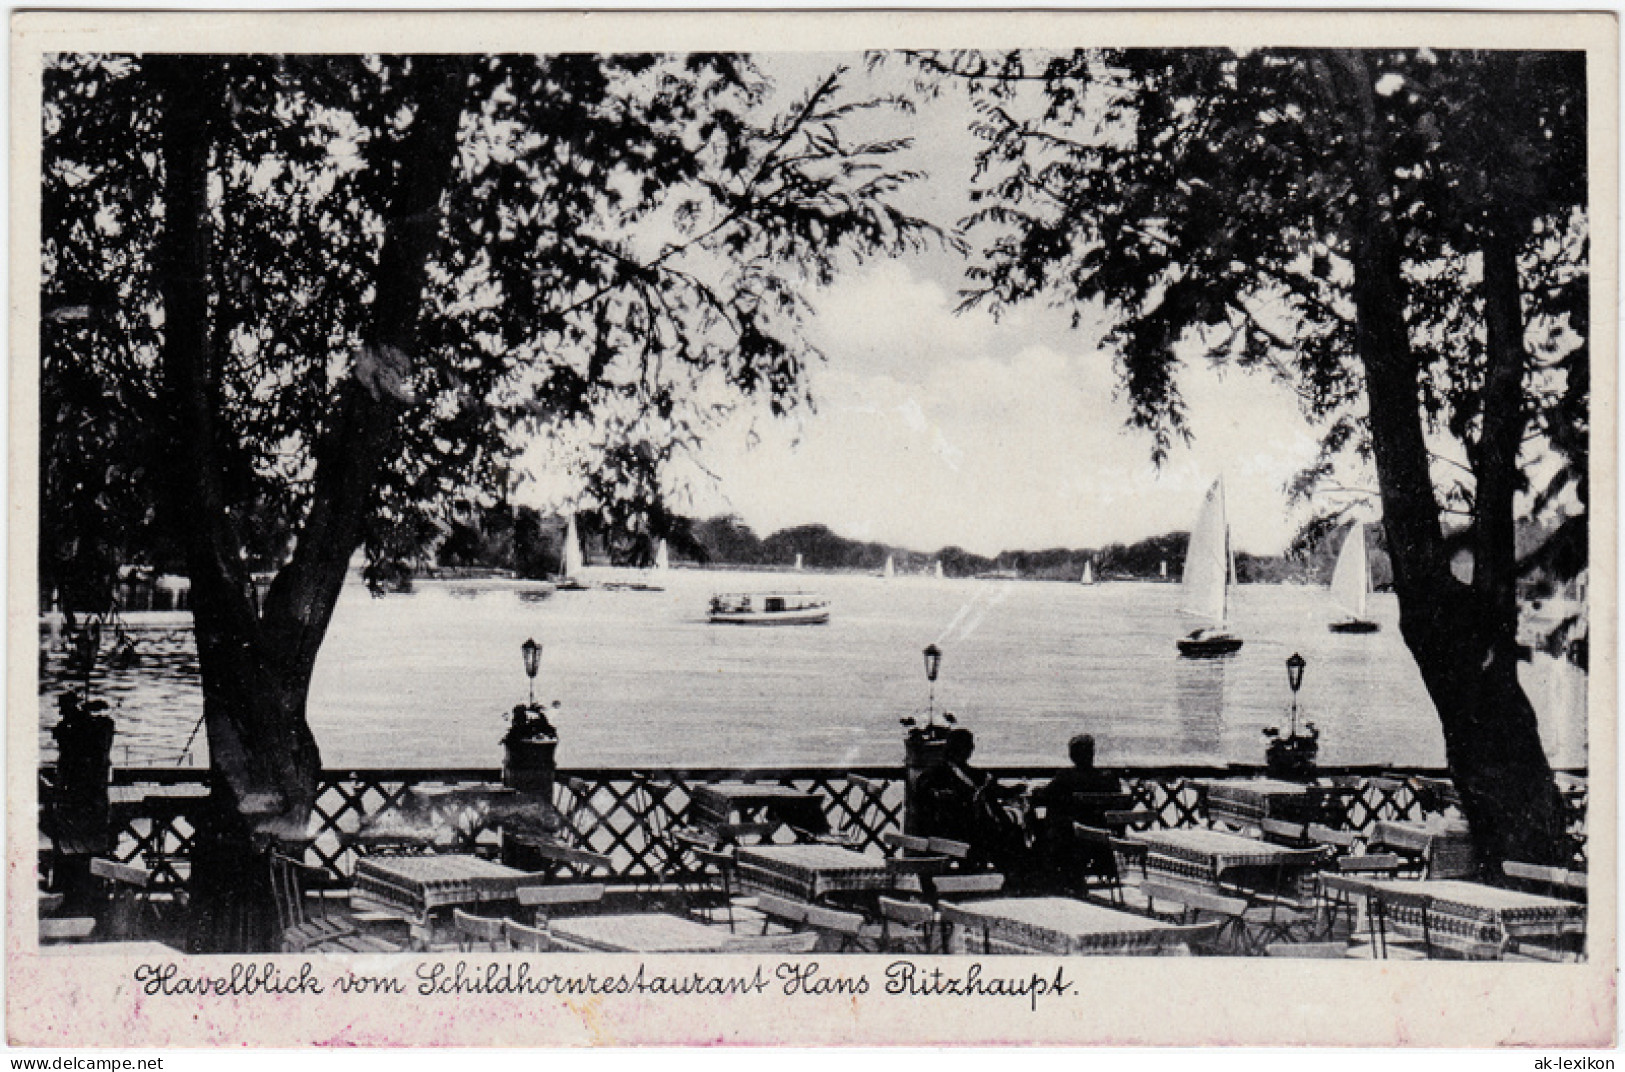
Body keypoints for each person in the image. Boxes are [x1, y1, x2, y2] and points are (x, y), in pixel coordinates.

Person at [914, 728, 1029, 871]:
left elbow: (923, 798)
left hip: (939, 832)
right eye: (970, 745)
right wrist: (1018, 789)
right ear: (967, 749)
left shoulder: (930, 775)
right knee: (1011, 833)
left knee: (1005, 830)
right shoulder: (976, 776)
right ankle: (1018, 875)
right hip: (968, 834)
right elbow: (1000, 791)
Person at [1031, 734, 1124, 893]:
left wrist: (1034, 791)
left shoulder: (1066, 777)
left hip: (1071, 837)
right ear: (1092, 754)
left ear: (1072, 755)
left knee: (1045, 821)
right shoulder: (1107, 779)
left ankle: (1046, 874)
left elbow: (1044, 796)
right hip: (1100, 833)